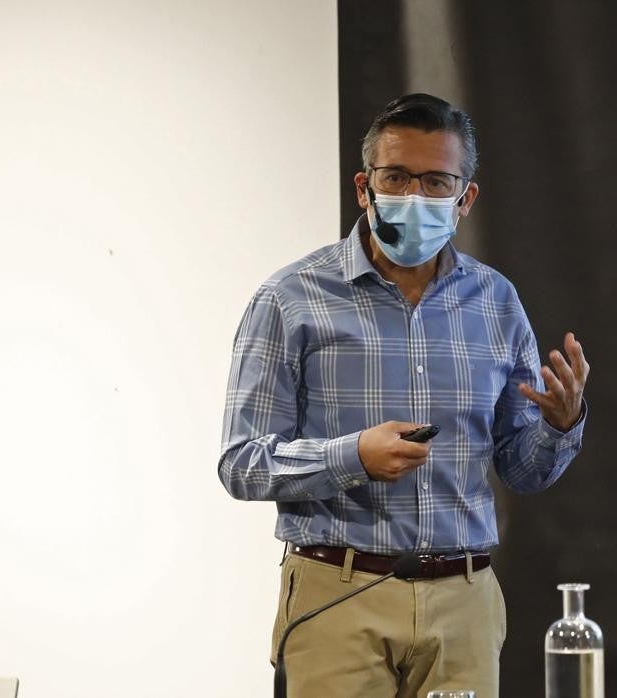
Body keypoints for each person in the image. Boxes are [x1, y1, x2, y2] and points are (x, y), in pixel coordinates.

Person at [218, 93, 588, 696]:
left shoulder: (495, 302)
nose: (414, 197)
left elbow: (522, 470)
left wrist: (558, 427)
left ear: (465, 198)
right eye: (397, 178)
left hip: (463, 601)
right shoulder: (291, 298)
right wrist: (351, 457)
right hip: (338, 595)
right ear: (364, 187)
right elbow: (241, 464)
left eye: (436, 181)